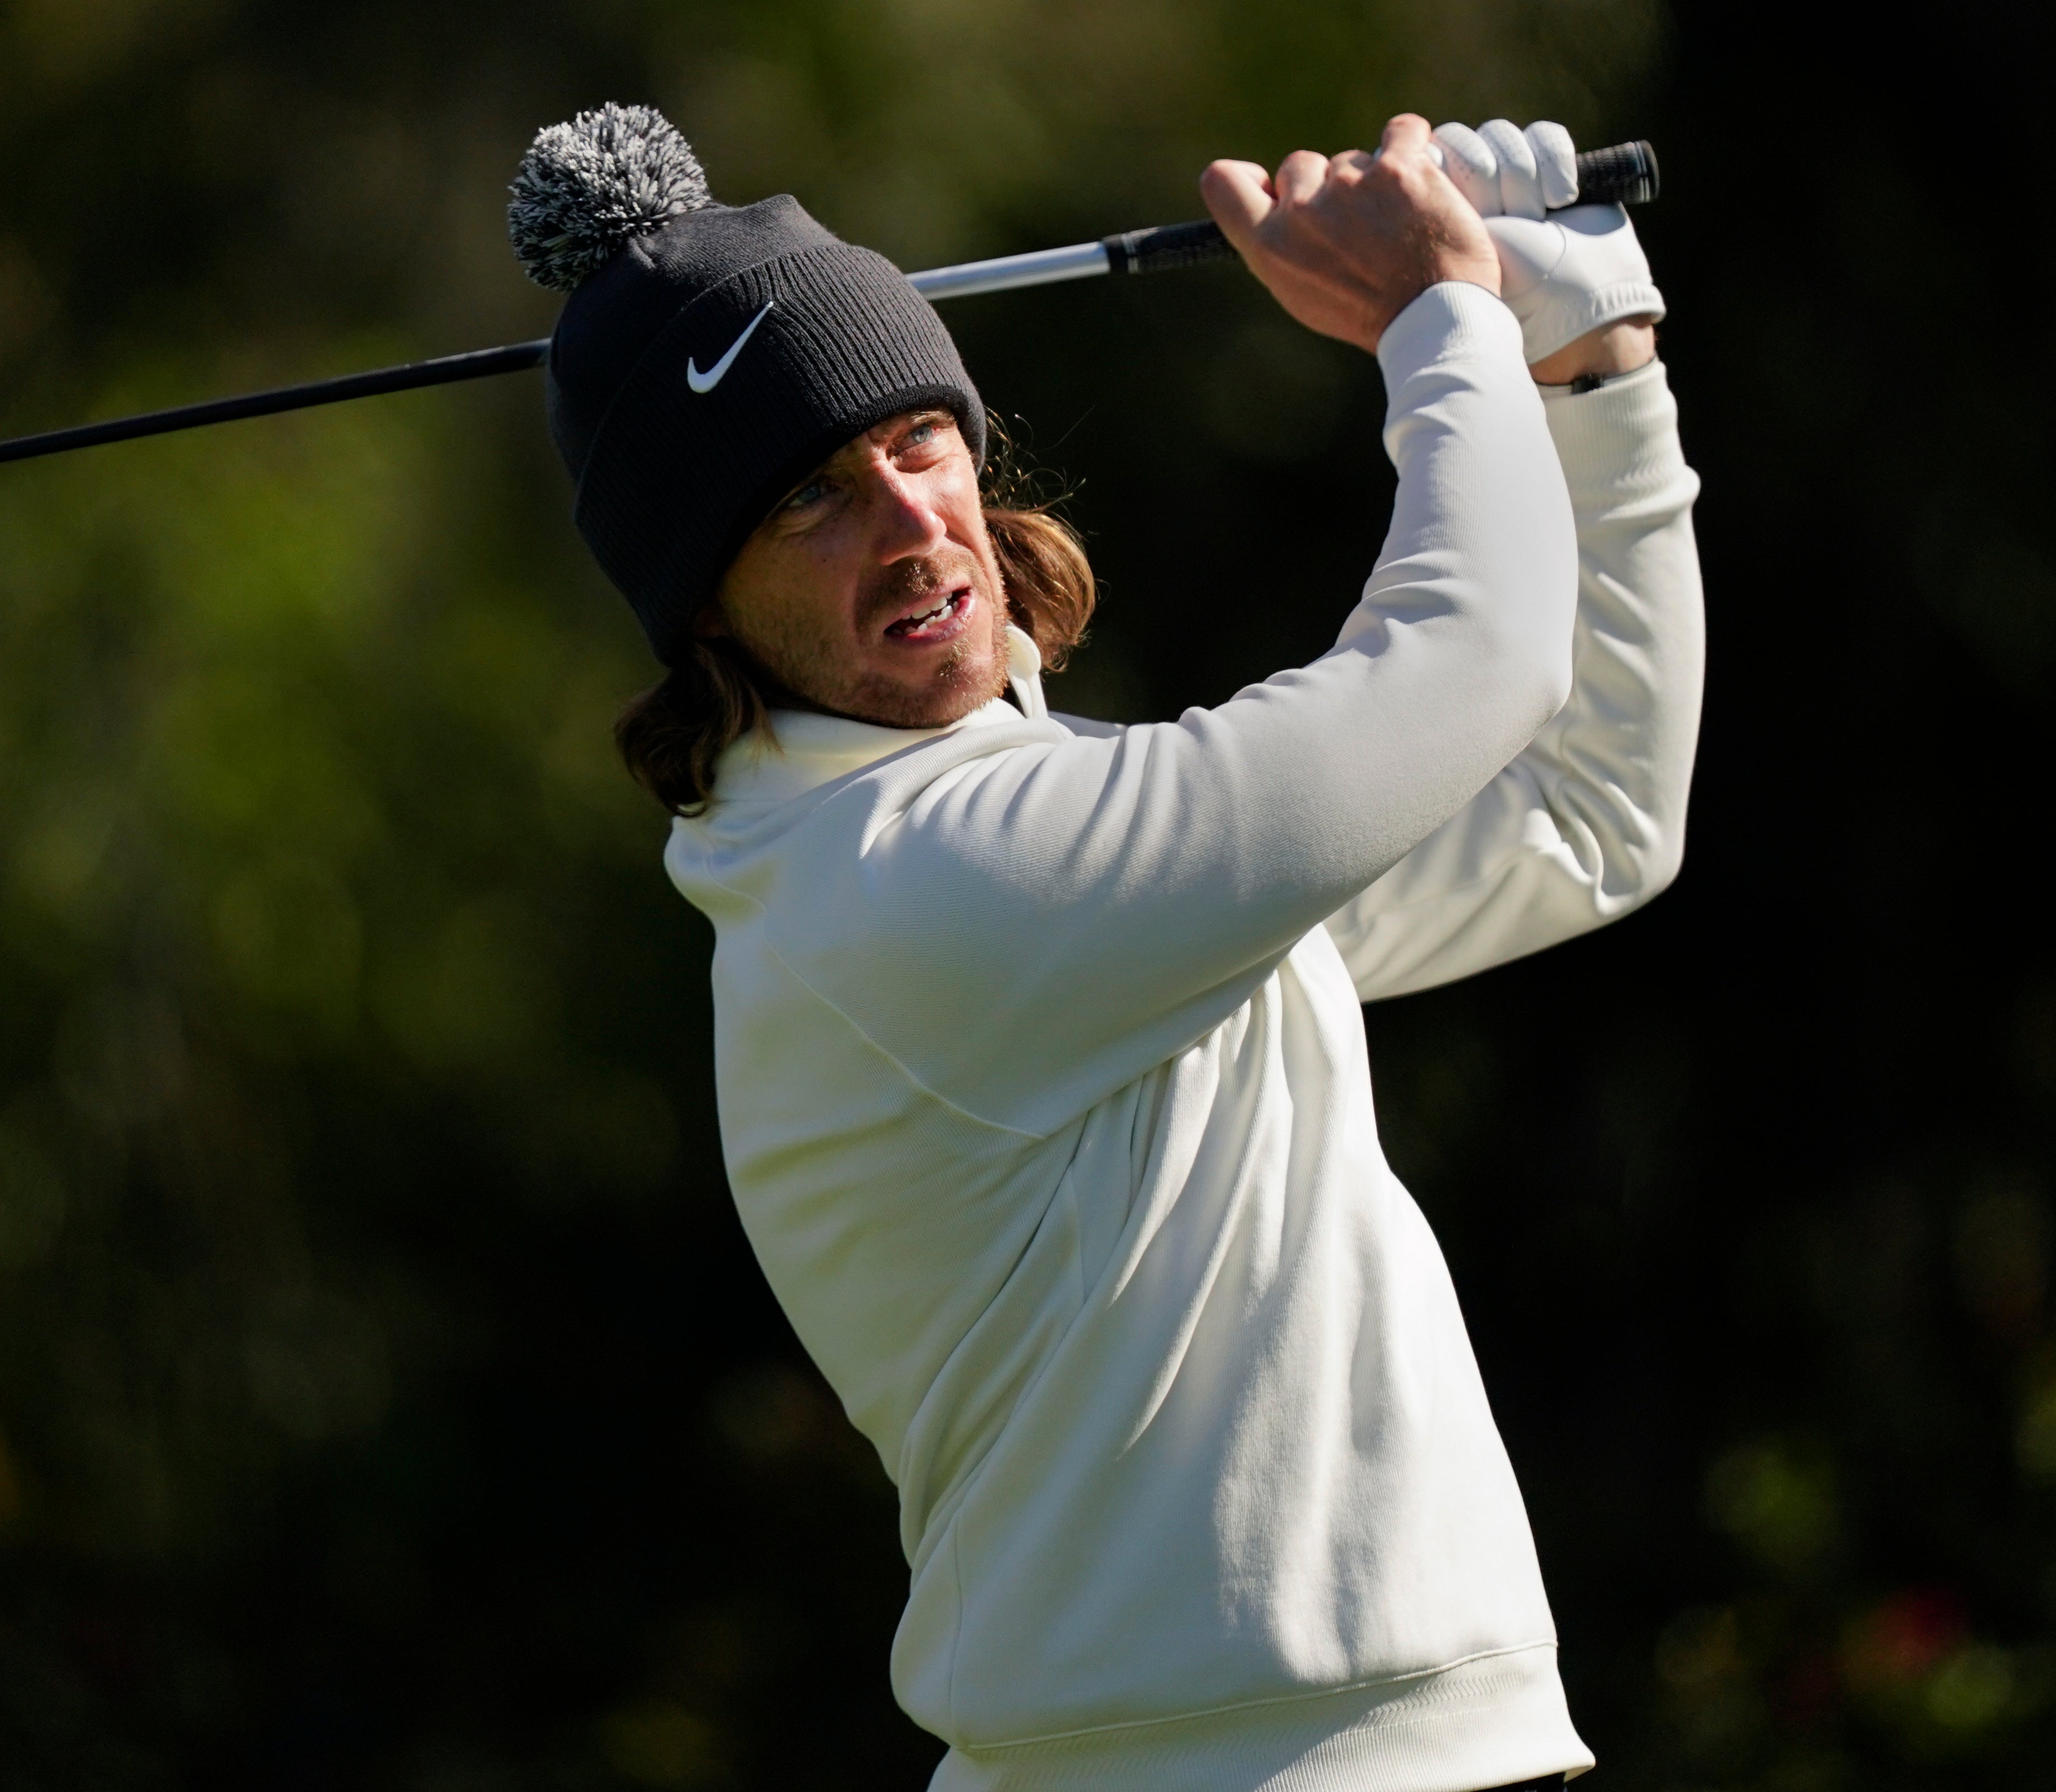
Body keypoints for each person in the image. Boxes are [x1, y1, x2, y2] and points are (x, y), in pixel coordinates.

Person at [509, 102, 1698, 1792]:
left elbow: (1584, 818)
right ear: (701, 605)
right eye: (805, 503)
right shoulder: (912, 882)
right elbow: (1462, 668)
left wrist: (1586, 369)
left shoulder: (1044, 850)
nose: (910, 523)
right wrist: (1440, 316)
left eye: (917, 441)